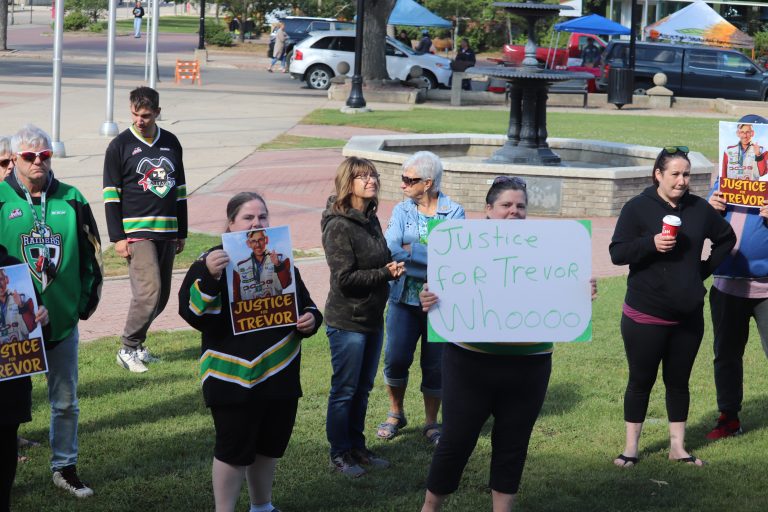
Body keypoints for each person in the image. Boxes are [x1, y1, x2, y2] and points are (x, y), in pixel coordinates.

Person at [419, 176, 597, 512]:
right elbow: (440, 294)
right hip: (470, 363)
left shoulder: (548, 248)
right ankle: (430, 507)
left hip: (530, 363)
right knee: (456, 440)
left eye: (520, 206)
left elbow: (563, 295)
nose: (514, 212)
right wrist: (428, 299)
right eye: (506, 205)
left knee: (513, 442)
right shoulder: (459, 246)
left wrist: (580, 292)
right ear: (488, 209)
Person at [179, 192, 322, 512]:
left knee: (270, 444)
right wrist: (210, 277)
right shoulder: (211, 261)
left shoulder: (281, 258)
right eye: (248, 218)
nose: (256, 224)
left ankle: (262, 506)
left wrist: (311, 318)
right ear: (231, 223)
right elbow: (192, 314)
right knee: (233, 447)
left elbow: (305, 303)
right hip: (231, 374)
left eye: (262, 217)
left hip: (280, 370)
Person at [609, 146, 736, 468]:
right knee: (641, 381)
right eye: (675, 174)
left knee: (678, 382)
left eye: (686, 174)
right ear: (658, 175)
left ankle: (677, 447)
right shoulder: (637, 208)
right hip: (645, 313)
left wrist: (703, 270)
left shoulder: (698, 208)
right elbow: (617, 253)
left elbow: (726, 238)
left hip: (688, 316)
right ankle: (631, 449)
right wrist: (650, 244)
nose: (682, 181)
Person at [0, 124, 103, 498]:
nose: (38, 162)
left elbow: (93, 256)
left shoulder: (72, 198)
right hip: (10, 331)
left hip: (60, 324)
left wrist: (78, 308)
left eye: (44, 155)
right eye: (30, 156)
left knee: (64, 401)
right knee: (6, 411)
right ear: (14, 160)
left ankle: (65, 467)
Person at [321, 157, 404, 477]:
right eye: (363, 176)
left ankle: (357, 447)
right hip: (347, 322)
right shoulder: (338, 224)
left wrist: (393, 263)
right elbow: (344, 278)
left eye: (373, 175)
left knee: (363, 388)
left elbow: (378, 260)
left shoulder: (370, 217)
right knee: (344, 389)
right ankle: (340, 453)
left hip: (372, 318)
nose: (371, 180)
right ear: (348, 183)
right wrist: (385, 273)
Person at [377, 152, 465, 446]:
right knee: (396, 358)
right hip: (403, 299)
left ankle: (431, 422)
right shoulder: (402, 211)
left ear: (428, 183)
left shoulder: (454, 212)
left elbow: (454, 257)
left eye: (409, 179)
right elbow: (391, 250)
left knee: (435, 364)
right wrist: (432, 255)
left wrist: (411, 251)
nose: (402, 185)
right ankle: (395, 412)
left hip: (440, 302)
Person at [103, 86, 187, 373]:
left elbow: (180, 192)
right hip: (137, 231)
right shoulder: (120, 146)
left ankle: (138, 346)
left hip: (167, 230)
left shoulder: (172, 143)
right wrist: (117, 237)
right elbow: (111, 195)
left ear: (158, 113)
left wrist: (182, 231)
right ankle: (127, 347)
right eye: (136, 114)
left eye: (147, 115)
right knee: (149, 291)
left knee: (161, 296)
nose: (140, 120)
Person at [706, 113, 768, 440]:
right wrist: (710, 205)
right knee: (726, 354)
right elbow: (702, 222)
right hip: (727, 284)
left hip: (766, 288)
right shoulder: (723, 176)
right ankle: (728, 417)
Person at [0, 244, 49, 512]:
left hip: (10, 385)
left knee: (6, 444)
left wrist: (40, 314)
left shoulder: (13, 267)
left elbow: (34, 323)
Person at [232, 229, 292, 302]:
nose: (257, 245)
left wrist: (278, 265)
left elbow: (285, 284)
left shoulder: (281, 258)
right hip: (251, 311)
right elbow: (236, 297)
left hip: (275, 308)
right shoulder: (239, 267)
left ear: (266, 240)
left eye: (260, 240)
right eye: (253, 241)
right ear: (248, 243)